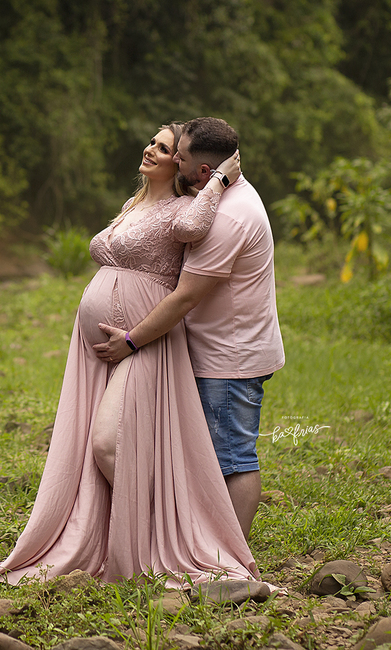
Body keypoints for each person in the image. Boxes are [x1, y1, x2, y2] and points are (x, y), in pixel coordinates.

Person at [0, 123, 260, 587]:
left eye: (165, 148)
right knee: (90, 442)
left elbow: (192, 229)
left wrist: (217, 180)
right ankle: (112, 534)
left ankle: (166, 532)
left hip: (145, 340)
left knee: (108, 445)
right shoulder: (135, 204)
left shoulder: (185, 207)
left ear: (181, 164)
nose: (151, 150)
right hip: (101, 348)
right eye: (153, 142)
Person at [93, 117, 285, 541]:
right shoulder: (217, 198)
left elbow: (185, 297)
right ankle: (194, 543)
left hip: (228, 357)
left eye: (177, 155)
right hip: (205, 349)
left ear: (203, 170)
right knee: (206, 456)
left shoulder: (228, 216)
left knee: (231, 459)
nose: (172, 160)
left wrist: (131, 340)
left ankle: (229, 559)